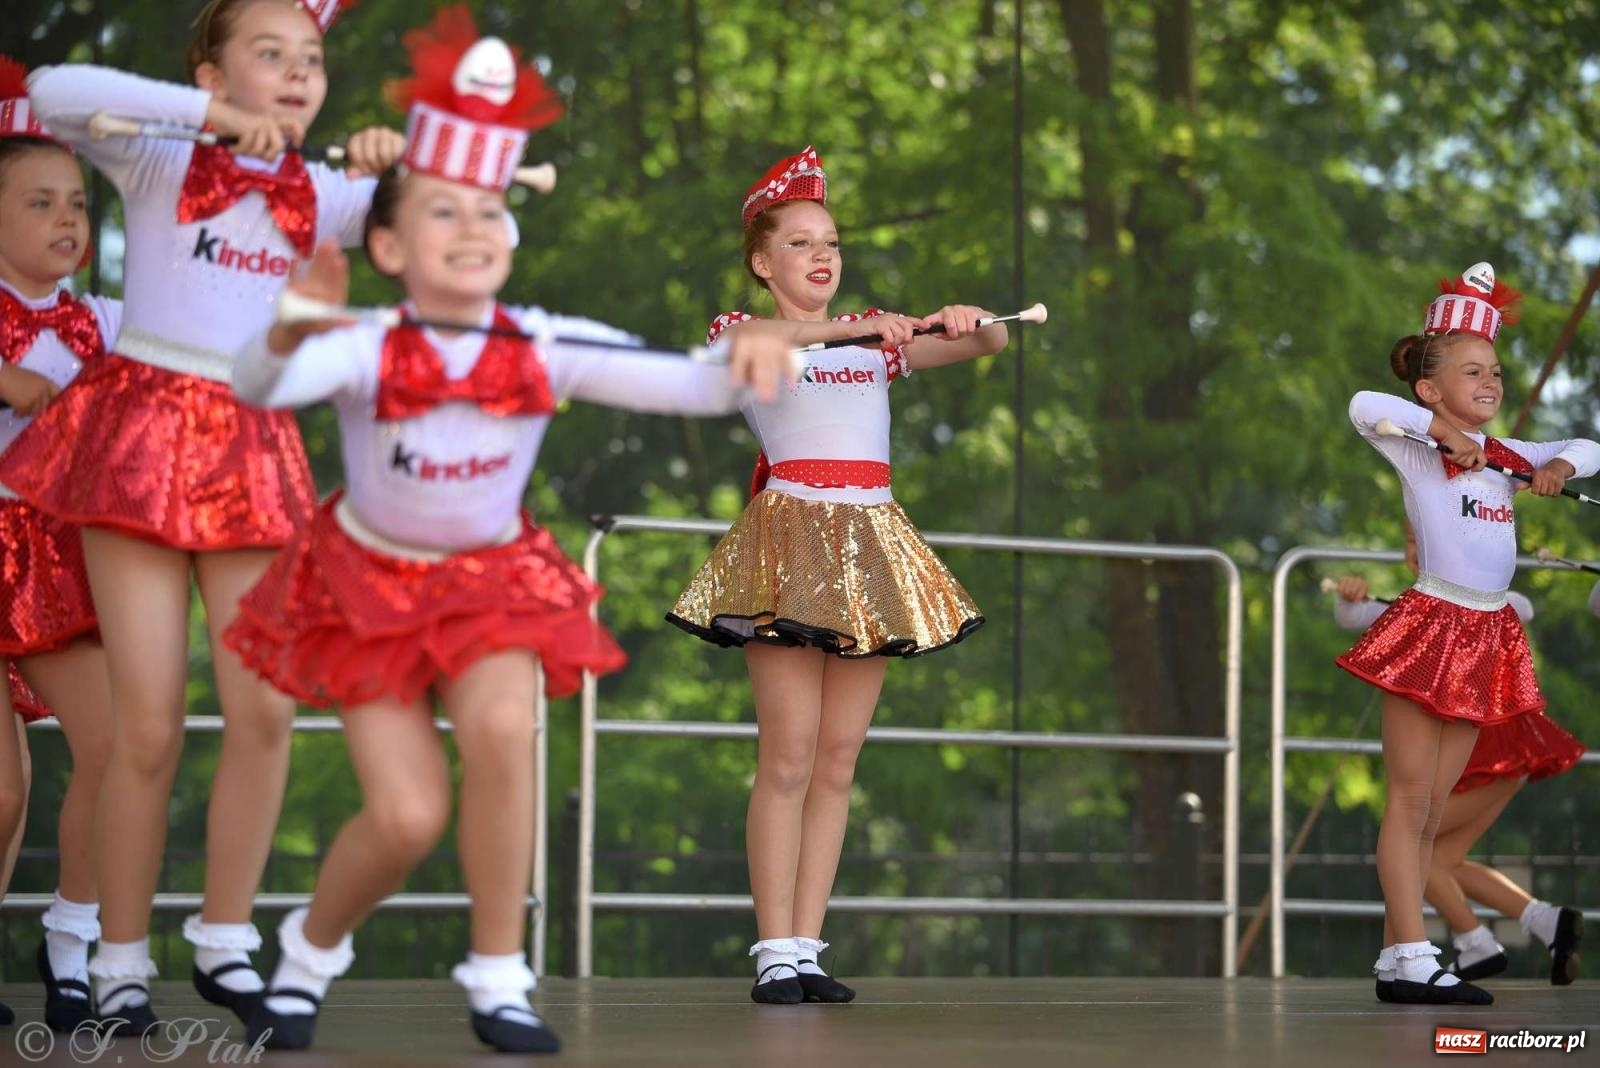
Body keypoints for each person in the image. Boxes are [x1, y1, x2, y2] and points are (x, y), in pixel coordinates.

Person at [221, 7, 796, 1053]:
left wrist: (748, 356)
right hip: (366, 589)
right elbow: (260, 386)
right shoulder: (362, 341)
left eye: (491, 209)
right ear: (388, 245)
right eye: (444, 213)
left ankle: (499, 976)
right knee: (404, 818)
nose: (475, 228)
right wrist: (288, 326)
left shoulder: (543, 343)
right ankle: (307, 956)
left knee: (502, 735)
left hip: (488, 585)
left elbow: (690, 384)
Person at [0, 0, 404, 1033]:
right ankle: (120, 961)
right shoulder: (162, 158)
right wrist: (210, 121)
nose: (296, 72)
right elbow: (54, 93)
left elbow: (491, 217)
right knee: (146, 724)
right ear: (210, 75)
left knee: (267, 708)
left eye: (310, 57)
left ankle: (225, 945)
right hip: (135, 436)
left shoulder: (324, 190)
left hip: (250, 444)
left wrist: (403, 159)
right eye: (266, 53)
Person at [667, 146, 1009, 1004]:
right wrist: (862, 325)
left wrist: (971, 320)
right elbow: (762, 344)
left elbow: (991, 345)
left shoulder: (874, 345)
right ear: (761, 261)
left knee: (838, 759)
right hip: (789, 546)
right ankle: (773, 947)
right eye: (800, 243)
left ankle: (808, 946)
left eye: (832, 242)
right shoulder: (740, 334)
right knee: (785, 755)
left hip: (871, 546)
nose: (822, 255)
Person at [1339, 261, 1600, 1004]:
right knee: (1411, 802)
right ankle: (1416, 950)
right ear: (1430, 387)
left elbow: (1590, 446)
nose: (1490, 381)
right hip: (1435, 623)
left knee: (1433, 806)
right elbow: (1362, 405)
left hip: (1486, 638)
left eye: (1495, 370)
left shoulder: (1508, 461)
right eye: (1471, 370)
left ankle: (1402, 955)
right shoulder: (1416, 445)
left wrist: (1552, 467)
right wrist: (1444, 433)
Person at [0, 57, 118, 1033]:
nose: (65, 219)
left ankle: (72, 942)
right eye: (37, 202)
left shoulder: (103, 322)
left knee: (122, 750)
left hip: (57, 566)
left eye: (74, 201)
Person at [1332, 576, 1584, 994]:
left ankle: (1468, 942)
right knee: (1437, 857)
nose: (1414, 549)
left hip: (1498, 755)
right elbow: (1356, 615)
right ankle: (1538, 921)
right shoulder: (1408, 612)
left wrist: (1465, 601)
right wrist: (1349, 598)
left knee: (1412, 839)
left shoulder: (1468, 602)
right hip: (1491, 760)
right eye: (1409, 540)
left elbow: (1520, 606)